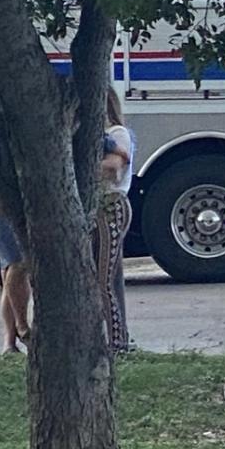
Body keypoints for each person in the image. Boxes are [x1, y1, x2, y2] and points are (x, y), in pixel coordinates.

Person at [96, 87, 136, 353]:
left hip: (111, 205)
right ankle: (115, 335)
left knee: (104, 278)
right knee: (105, 274)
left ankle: (117, 341)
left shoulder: (116, 133)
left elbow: (112, 169)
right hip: (99, 207)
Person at [0, 199, 30, 354]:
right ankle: (22, 327)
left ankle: (9, 342)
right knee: (19, 263)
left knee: (8, 266)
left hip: (1, 210)